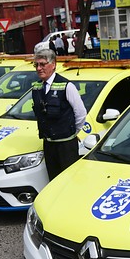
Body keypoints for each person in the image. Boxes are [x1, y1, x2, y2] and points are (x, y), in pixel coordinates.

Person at [31, 49, 87, 181]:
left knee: (69, 182)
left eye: (43, 64)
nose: (39, 68)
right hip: (49, 144)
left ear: (53, 64)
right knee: (53, 181)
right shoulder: (37, 88)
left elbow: (80, 113)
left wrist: (71, 132)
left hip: (66, 146)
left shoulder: (67, 86)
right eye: (36, 65)